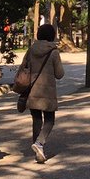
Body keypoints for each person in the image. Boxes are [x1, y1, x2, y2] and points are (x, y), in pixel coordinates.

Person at [18, 23, 64, 163]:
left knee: (36, 120)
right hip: (47, 92)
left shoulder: (31, 50)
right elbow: (59, 74)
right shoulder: (53, 52)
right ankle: (39, 143)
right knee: (50, 120)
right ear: (52, 36)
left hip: (32, 90)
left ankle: (38, 150)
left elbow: (23, 67)